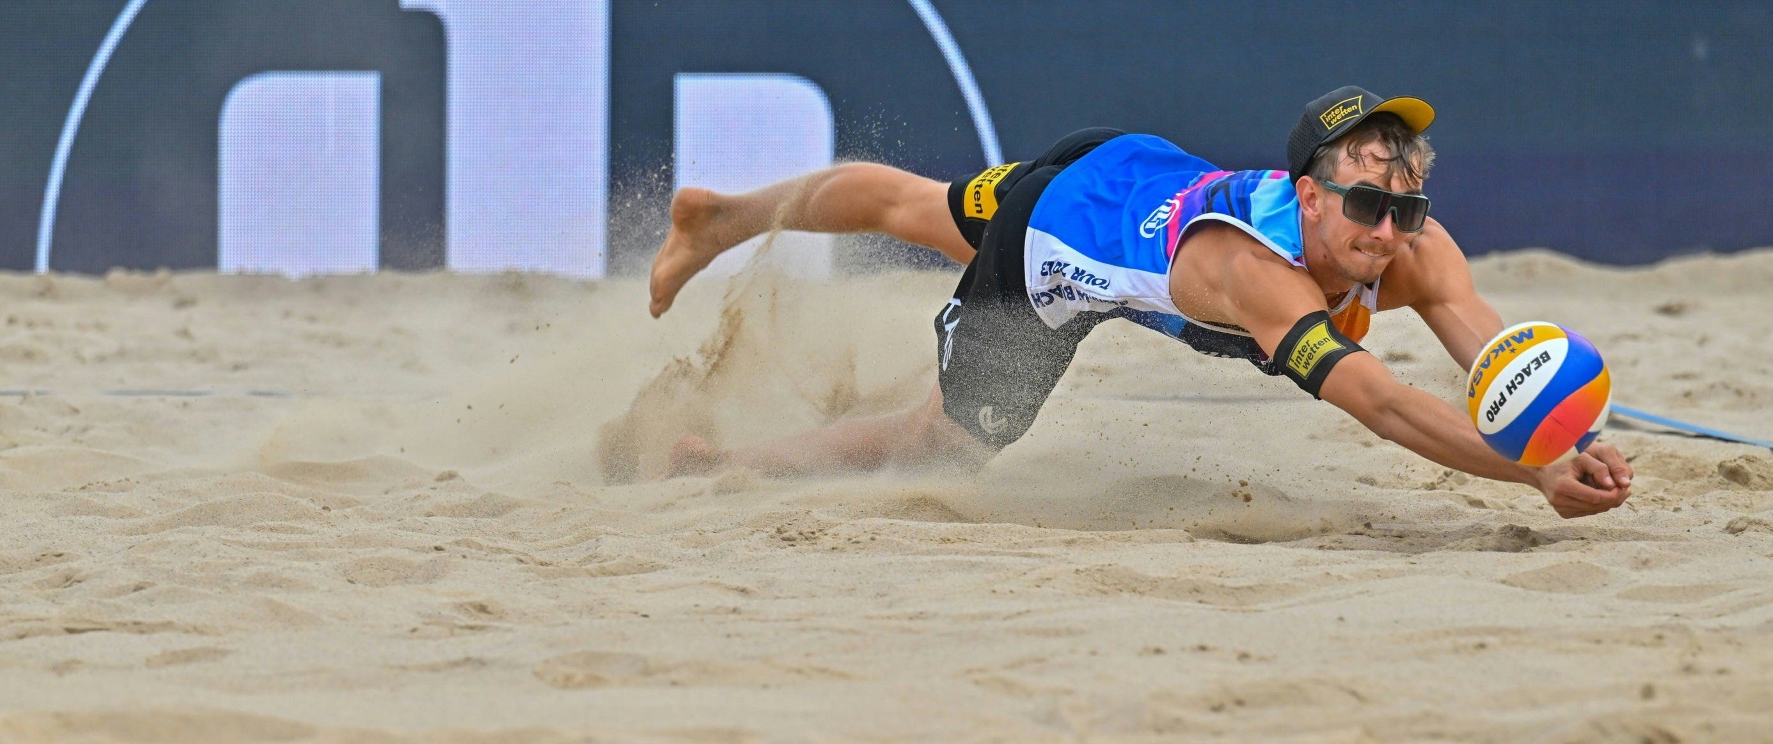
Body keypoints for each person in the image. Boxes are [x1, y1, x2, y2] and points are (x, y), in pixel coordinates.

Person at [646, 85, 1633, 519]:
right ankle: (725, 465)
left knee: (918, 206)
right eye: (1367, 204)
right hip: (1053, 246)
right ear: (1309, 197)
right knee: (943, 442)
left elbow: (1490, 349)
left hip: (1118, 164)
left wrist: (1558, 436)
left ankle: (721, 218)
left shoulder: (1405, 242)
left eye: (1406, 203)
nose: (1390, 228)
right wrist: (1531, 478)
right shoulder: (1257, 276)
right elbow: (1376, 403)